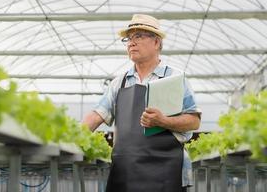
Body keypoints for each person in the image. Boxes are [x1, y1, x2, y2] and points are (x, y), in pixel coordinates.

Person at [82, 14, 201, 192]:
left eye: (139, 36)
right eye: (128, 38)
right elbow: (96, 115)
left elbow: (194, 120)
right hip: (125, 174)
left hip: (166, 172)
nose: (131, 42)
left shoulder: (175, 78)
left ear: (156, 42)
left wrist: (164, 122)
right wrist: (69, 137)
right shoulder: (120, 82)